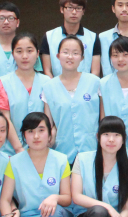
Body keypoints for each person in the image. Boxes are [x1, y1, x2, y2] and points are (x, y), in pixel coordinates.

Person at [0, 112, 73, 217]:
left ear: (50, 134)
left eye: (41, 130)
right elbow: (4, 199)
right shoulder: (14, 162)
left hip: (58, 215)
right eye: (30, 131)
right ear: (24, 135)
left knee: (52, 212)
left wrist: (54, 198)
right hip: (29, 216)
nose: (36, 136)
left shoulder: (61, 160)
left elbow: (67, 199)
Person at [41, 35, 102, 166]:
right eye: (65, 52)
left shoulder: (95, 82)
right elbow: (48, 123)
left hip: (91, 150)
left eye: (75, 53)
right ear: (58, 56)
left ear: (82, 58)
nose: (70, 57)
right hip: (62, 152)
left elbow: (103, 117)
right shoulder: (49, 87)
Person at [0, 32, 53, 156]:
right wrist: (18, 148)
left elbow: (50, 117)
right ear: (13, 54)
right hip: (10, 152)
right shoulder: (3, 83)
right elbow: (4, 119)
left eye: (29, 51)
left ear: (37, 53)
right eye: (19, 51)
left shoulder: (48, 83)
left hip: (42, 151)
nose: (24, 56)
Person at [42, 0, 101, 77]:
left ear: (83, 11)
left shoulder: (93, 37)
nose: (74, 12)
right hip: (56, 84)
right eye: (70, 7)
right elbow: (47, 71)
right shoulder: (49, 36)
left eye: (78, 8)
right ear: (62, 9)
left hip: (85, 85)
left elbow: (95, 72)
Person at [0, 2, 42, 90]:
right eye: (1, 18)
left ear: (17, 22)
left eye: (11, 18)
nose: (6, 22)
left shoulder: (30, 49)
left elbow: (38, 78)